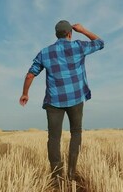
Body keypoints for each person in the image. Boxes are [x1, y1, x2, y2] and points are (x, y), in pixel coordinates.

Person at [19, 20, 104, 182]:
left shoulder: (45, 52)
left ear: (56, 35)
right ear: (70, 34)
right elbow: (100, 43)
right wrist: (83, 30)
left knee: (54, 138)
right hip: (76, 98)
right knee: (76, 132)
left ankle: (57, 177)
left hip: (54, 100)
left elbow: (30, 74)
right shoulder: (78, 46)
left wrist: (25, 93)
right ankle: (71, 173)